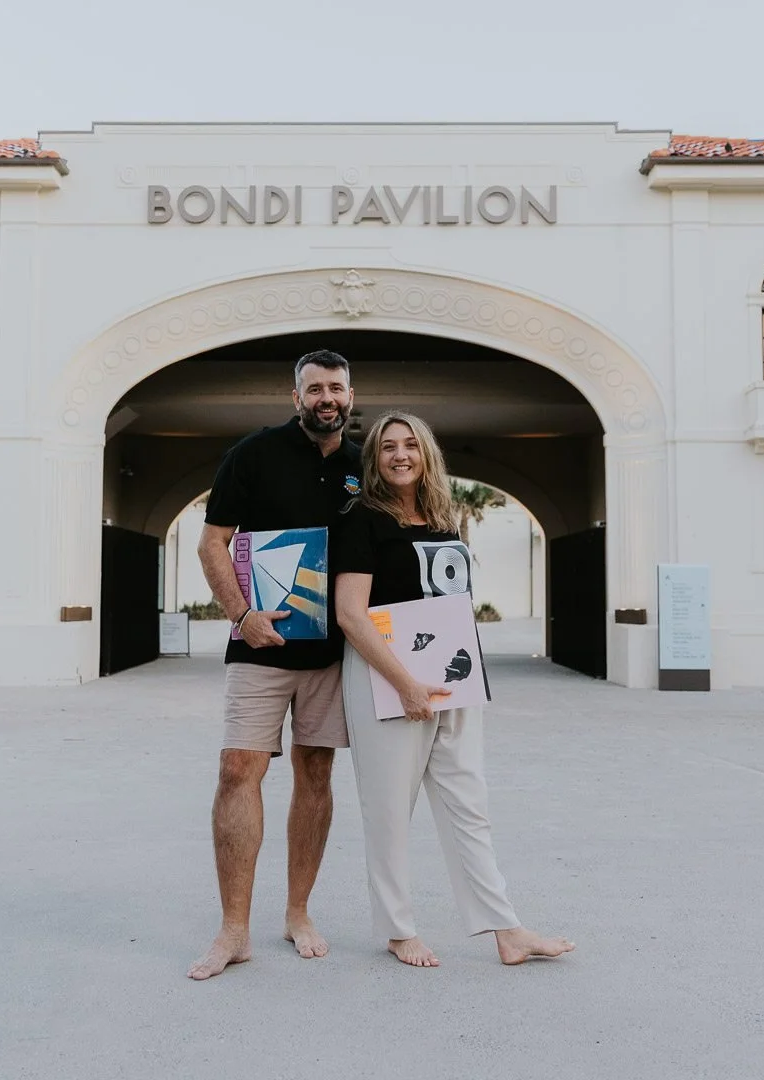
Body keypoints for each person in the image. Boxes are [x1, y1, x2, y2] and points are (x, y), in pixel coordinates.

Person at [333, 411, 575, 968]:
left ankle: (506, 930)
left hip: (453, 680)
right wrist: (405, 684)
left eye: (411, 445)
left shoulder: (443, 519)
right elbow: (351, 614)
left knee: (470, 805)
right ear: (373, 458)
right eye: (388, 446)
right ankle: (398, 930)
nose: (400, 455)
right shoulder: (361, 519)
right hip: (386, 679)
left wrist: (463, 675)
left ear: (427, 455)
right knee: (390, 809)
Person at [187, 349, 364, 981]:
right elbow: (213, 541)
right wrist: (240, 615)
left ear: (350, 395)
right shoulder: (252, 455)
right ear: (296, 398)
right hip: (259, 642)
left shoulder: (363, 462)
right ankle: (233, 929)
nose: (326, 398)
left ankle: (297, 912)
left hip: (335, 653)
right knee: (239, 769)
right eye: (314, 388)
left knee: (316, 776)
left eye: (336, 388)